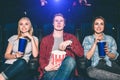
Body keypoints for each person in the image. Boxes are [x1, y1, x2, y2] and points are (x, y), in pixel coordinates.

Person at [38, 13, 84, 80]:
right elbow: (41, 58)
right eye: (56, 21)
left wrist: (70, 45)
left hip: (68, 70)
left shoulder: (71, 38)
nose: (59, 23)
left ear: (64, 24)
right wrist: (46, 67)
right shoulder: (45, 40)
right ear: (53, 23)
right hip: (51, 70)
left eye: (61, 21)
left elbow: (81, 54)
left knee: (70, 60)